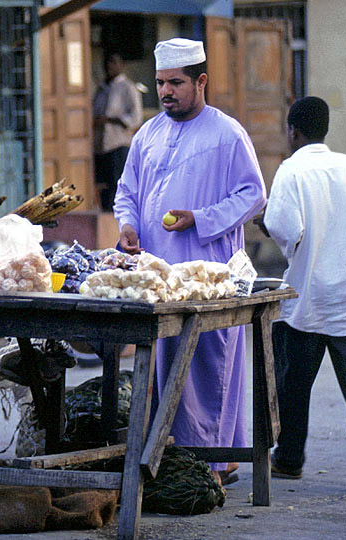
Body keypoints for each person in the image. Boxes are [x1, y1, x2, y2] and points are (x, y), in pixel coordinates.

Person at [113, 38, 266, 485]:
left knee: (207, 366)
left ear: (200, 81)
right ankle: (179, 460)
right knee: (165, 366)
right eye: (160, 82)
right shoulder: (148, 133)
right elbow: (127, 191)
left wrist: (200, 219)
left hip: (207, 275)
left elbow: (253, 194)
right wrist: (127, 225)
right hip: (157, 277)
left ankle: (215, 464)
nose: (166, 91)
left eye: (176, 83)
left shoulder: (227, 133)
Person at [262, 97, 346, 492]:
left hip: (309, 297)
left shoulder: (291, 171)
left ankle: (289, 459)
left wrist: (262, 224)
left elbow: (285, 229)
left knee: (292, 385)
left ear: (292, 131)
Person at [93, 51, 143, 211]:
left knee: (118, 184)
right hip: (101, 144)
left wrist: (110, 119)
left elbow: (135, 118)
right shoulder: (102, 88)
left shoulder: (128, 88)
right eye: (107, 62)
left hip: (119, 143)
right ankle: (106, 216)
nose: (110, 66)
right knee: (103, 186)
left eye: (114, 62)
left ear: (121, 65)